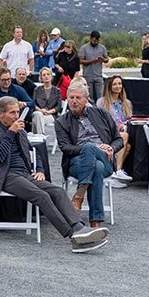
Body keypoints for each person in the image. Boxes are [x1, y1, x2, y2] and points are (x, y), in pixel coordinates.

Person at [0, 96, 108, 251]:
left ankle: (79, 226)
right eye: (12, 113)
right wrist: (10, 133)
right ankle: (73, 235)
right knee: (41, 196)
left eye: (17, 112)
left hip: (24, 174)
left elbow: (33, 152)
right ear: (0, 114)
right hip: (4, 175)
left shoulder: (20, 132)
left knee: (57, 191)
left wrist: (40, 170)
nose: (16, 116)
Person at [55, 82, 124, 227]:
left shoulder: (101, 113)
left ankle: (79, 195)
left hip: (105, 158)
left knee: (97, 162)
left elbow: (118, 139)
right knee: (94, 163)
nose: (74, 101)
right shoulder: (61, 121)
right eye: (71, 97)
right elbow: (65, 148)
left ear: (87, 100)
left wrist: (111, 148)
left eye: (78, 98)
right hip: (76, 162)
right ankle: (95, 221)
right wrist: (94, 147)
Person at [98, 75, 134, 176]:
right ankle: (118, 171)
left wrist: (124, 124)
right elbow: (100, 122)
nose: (118, 86)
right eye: (114, 84)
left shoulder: (127, 103)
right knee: (124, 136)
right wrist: (114, 127)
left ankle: (114, 171)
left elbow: (130, 119)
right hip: (108, 133)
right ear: (109, 86)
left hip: (123, 131)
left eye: (119, 84)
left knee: (128, 146)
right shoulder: (102, 102)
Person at [78, 31, 109, 104]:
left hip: (98, 75)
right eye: (94, 41)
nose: (96, 42)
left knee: (100, 96)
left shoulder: (102, 48)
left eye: (97, 41)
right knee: (89, 97)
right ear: (90, 39)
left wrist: (103, 59)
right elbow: (80, 61)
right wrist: (93, 61)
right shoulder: (84, 48)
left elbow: (107, 59)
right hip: (88, 76)